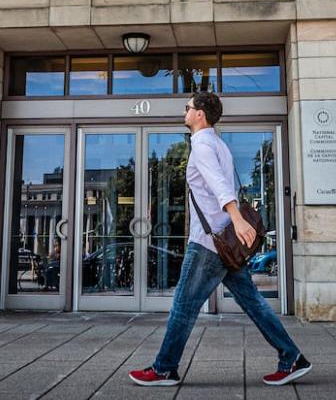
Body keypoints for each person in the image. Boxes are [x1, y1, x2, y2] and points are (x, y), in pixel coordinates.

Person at [128, 91, 311, 387]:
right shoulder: (219, 144)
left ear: (200, 113)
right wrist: (235, 221)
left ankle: (164, 368)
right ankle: (291, 357)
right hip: (226, 245)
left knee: (183, 306)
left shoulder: (201, 145)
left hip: (209, 243)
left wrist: (237, 219)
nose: (184, 111)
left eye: (188, 107)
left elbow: (219, 184)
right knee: (254, 303)